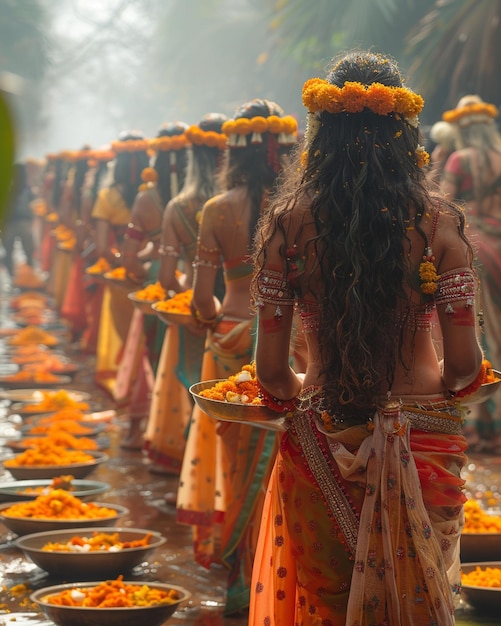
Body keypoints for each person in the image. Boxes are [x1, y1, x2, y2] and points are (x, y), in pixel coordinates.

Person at [249, 51, 484, 625]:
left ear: (321, 130)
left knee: (333, 610)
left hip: (321, 436)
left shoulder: (289, 224)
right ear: (403, 128)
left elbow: (272, 376)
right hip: (426, 439)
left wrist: (307, 384)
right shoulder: (438, 224)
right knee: (419, 604)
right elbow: (464, 367)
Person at [176, 99, 298, 616]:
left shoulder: (216, 210)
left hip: (226, 342)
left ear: (234, 152)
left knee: (234, 463)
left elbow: (202, 299)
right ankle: (277, 576)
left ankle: (237, 578)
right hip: (286, 342)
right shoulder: (298, 210)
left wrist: (206, 321)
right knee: (284, 465)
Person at [143, 113, 227, 473]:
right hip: (246, 312)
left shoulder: (177, 207)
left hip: (195, 309)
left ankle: (198, 478)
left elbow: (165, 276)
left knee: (201, 391)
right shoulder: (243, 202)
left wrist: (189, 298)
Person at [117, 121, 190, 449]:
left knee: (150, 358)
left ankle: (138, 431)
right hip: (198, 283)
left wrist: (147, 267)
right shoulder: (203, 196)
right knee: (188, 363)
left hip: (157, 286)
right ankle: (184, 444)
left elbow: (128, 256)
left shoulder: (146, 200)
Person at [440, 94, 501, 453]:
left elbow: (445, 207)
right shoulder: (499, 158)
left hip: (476, 249)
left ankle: (480, 424)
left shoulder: (460, 160)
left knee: (480, 332)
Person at [91, 131, 149, 395]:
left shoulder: (106, 197)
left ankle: (130, 393)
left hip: (120, 281)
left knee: (129, 342)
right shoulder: (153, 196)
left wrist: (121, 261)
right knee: (150, 345)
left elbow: (102, 247)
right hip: (151, 278)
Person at [2, 162, 36, 279]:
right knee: (8, 250)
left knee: (28, 249)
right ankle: (12, 275)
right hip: (9, 222)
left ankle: (28, 273)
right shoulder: (6, 187)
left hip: (23, 221)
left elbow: (33, 204)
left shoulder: (27, 189)